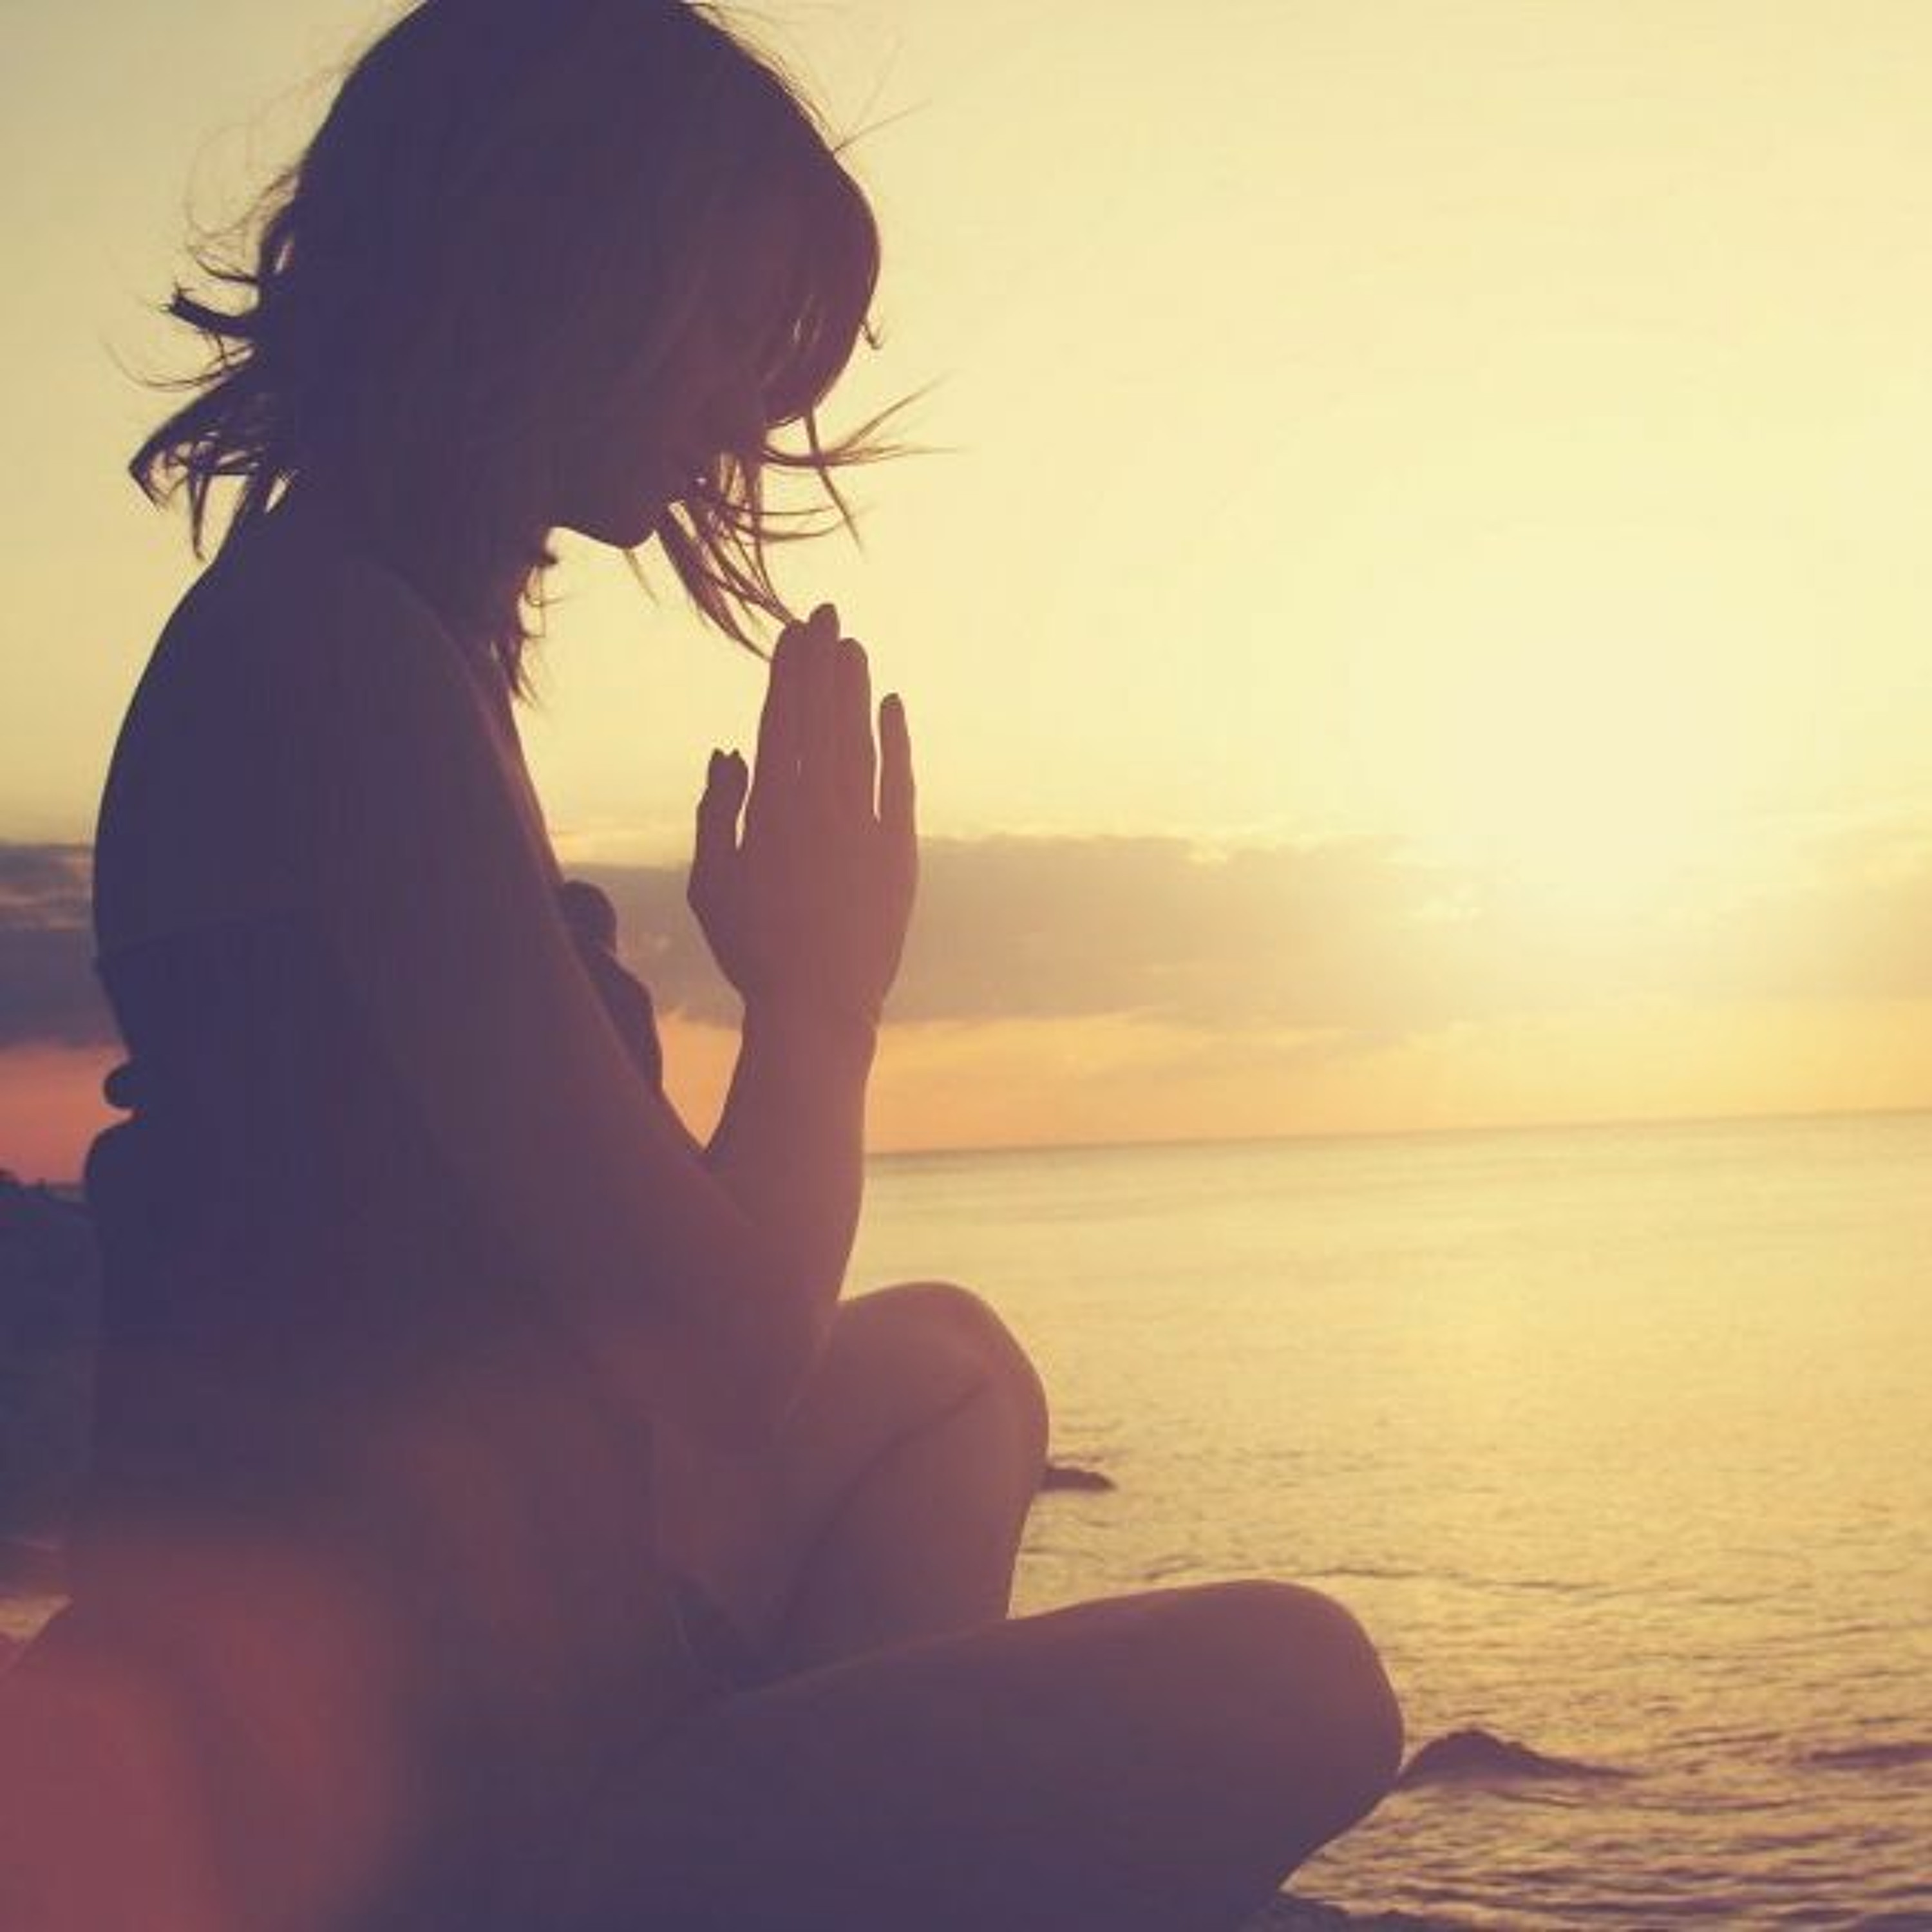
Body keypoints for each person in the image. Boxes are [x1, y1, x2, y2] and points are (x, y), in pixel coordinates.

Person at [0, 3, 1403, 1927]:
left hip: (476, 1615)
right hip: (396, 1765)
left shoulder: (374, 637)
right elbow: (730, 1361)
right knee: (1304, 1681)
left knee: (948, 1368)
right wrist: (820, 1009)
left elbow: (666, 1317)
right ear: (549, 263)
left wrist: (813, 1007)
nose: (749, 403)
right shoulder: (339, 669)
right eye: (729, 321)